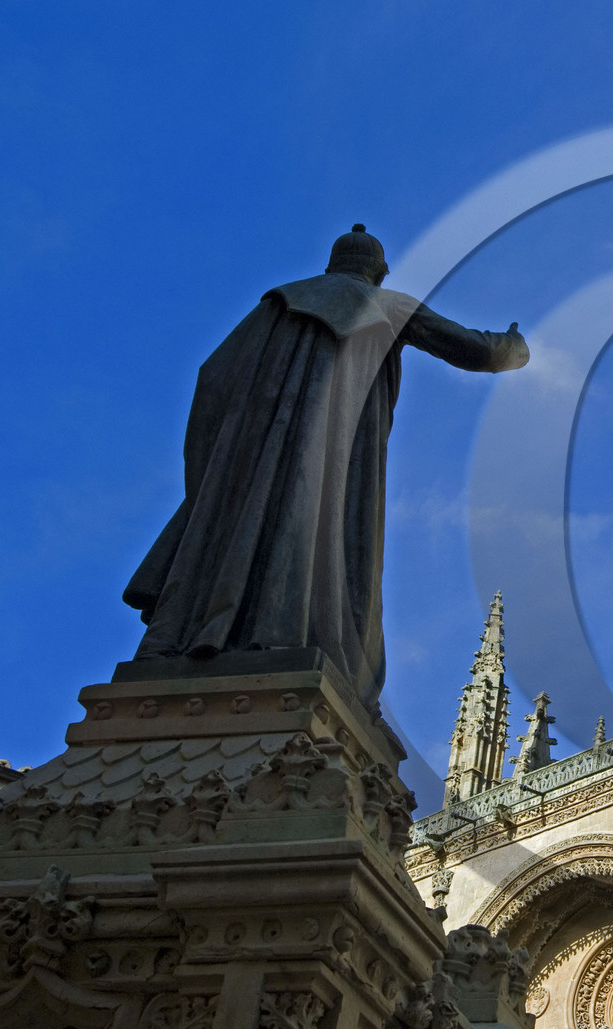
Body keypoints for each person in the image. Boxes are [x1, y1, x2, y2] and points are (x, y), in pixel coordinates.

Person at [124, 225, 529, 708]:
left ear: (333, 263)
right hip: (335, 450)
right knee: (321, 529)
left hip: (251, 455)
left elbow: (213, 380)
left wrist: (219, 466)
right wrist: (514, 345)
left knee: (248, 525)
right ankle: (282, 638)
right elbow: (477, 350)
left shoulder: (277, 303)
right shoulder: (386, 304)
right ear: (376, 272)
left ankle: (193, 634)